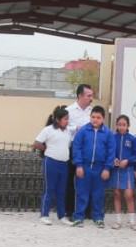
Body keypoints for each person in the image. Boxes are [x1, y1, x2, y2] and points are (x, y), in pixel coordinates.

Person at [71, 105, 114, 228]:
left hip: (100, 169)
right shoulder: (83, 131)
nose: (95, 119)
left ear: (103, 119)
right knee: (81, 193)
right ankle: (78, 217)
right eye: (93, 117)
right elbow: (77, 147)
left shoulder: (108, 134)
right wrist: (78, 165)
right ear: (90, 117)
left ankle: (98, 218)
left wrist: (107, 168)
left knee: (98, 194)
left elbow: (111, 151)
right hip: (84, 167)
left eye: (98, 117)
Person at [33, 106, 72, 225]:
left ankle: (62, 216)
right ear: (57, 120)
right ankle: (44, 214)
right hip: (51, 163)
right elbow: (37, 143)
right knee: (49, 189)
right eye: (65, 119)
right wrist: (46, 149)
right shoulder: (48, 130)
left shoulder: (68, 131)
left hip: (64, 164)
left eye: (68, 119)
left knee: (61, 191)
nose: (67, 121)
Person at [64, 84, 95, 214]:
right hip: (72, 149)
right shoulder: (69, 111)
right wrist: (76, 128)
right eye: (89, 96)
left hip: (88, 150)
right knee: (70, 180)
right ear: (79, 96)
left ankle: (87, 210)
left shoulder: (92, 112)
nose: (91, 98)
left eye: (92, 96)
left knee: (88, 180)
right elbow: (63, 128)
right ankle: (70, 211)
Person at [109, 115, 136, 229]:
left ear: (128, 126)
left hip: (128, 170)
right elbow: (109, 151)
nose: (122, 127)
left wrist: (127, 160)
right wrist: (113, 159)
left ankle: (132, 221)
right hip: (116, 169)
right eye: (120, 124)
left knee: (129, 194)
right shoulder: (113, 137)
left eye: (124, 125)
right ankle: (118, 221)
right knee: (117, 194)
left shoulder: (132, 139)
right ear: (116, 125)